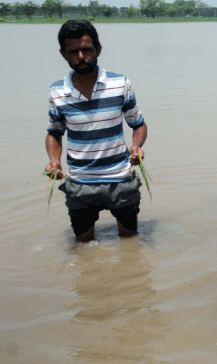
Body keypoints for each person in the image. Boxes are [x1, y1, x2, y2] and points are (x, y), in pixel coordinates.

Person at [45, 20, 148, 243]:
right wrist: (54, 160)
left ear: (98, 50)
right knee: (83, 246)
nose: (81, 56)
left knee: (130, 243)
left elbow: (137, 123)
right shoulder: (57, 92)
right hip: (79, 183)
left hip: (120, 179)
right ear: (63, 54)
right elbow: (54, 132)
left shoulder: (120, 84)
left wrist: (137, 147)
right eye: (73, 52)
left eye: (87, 50)